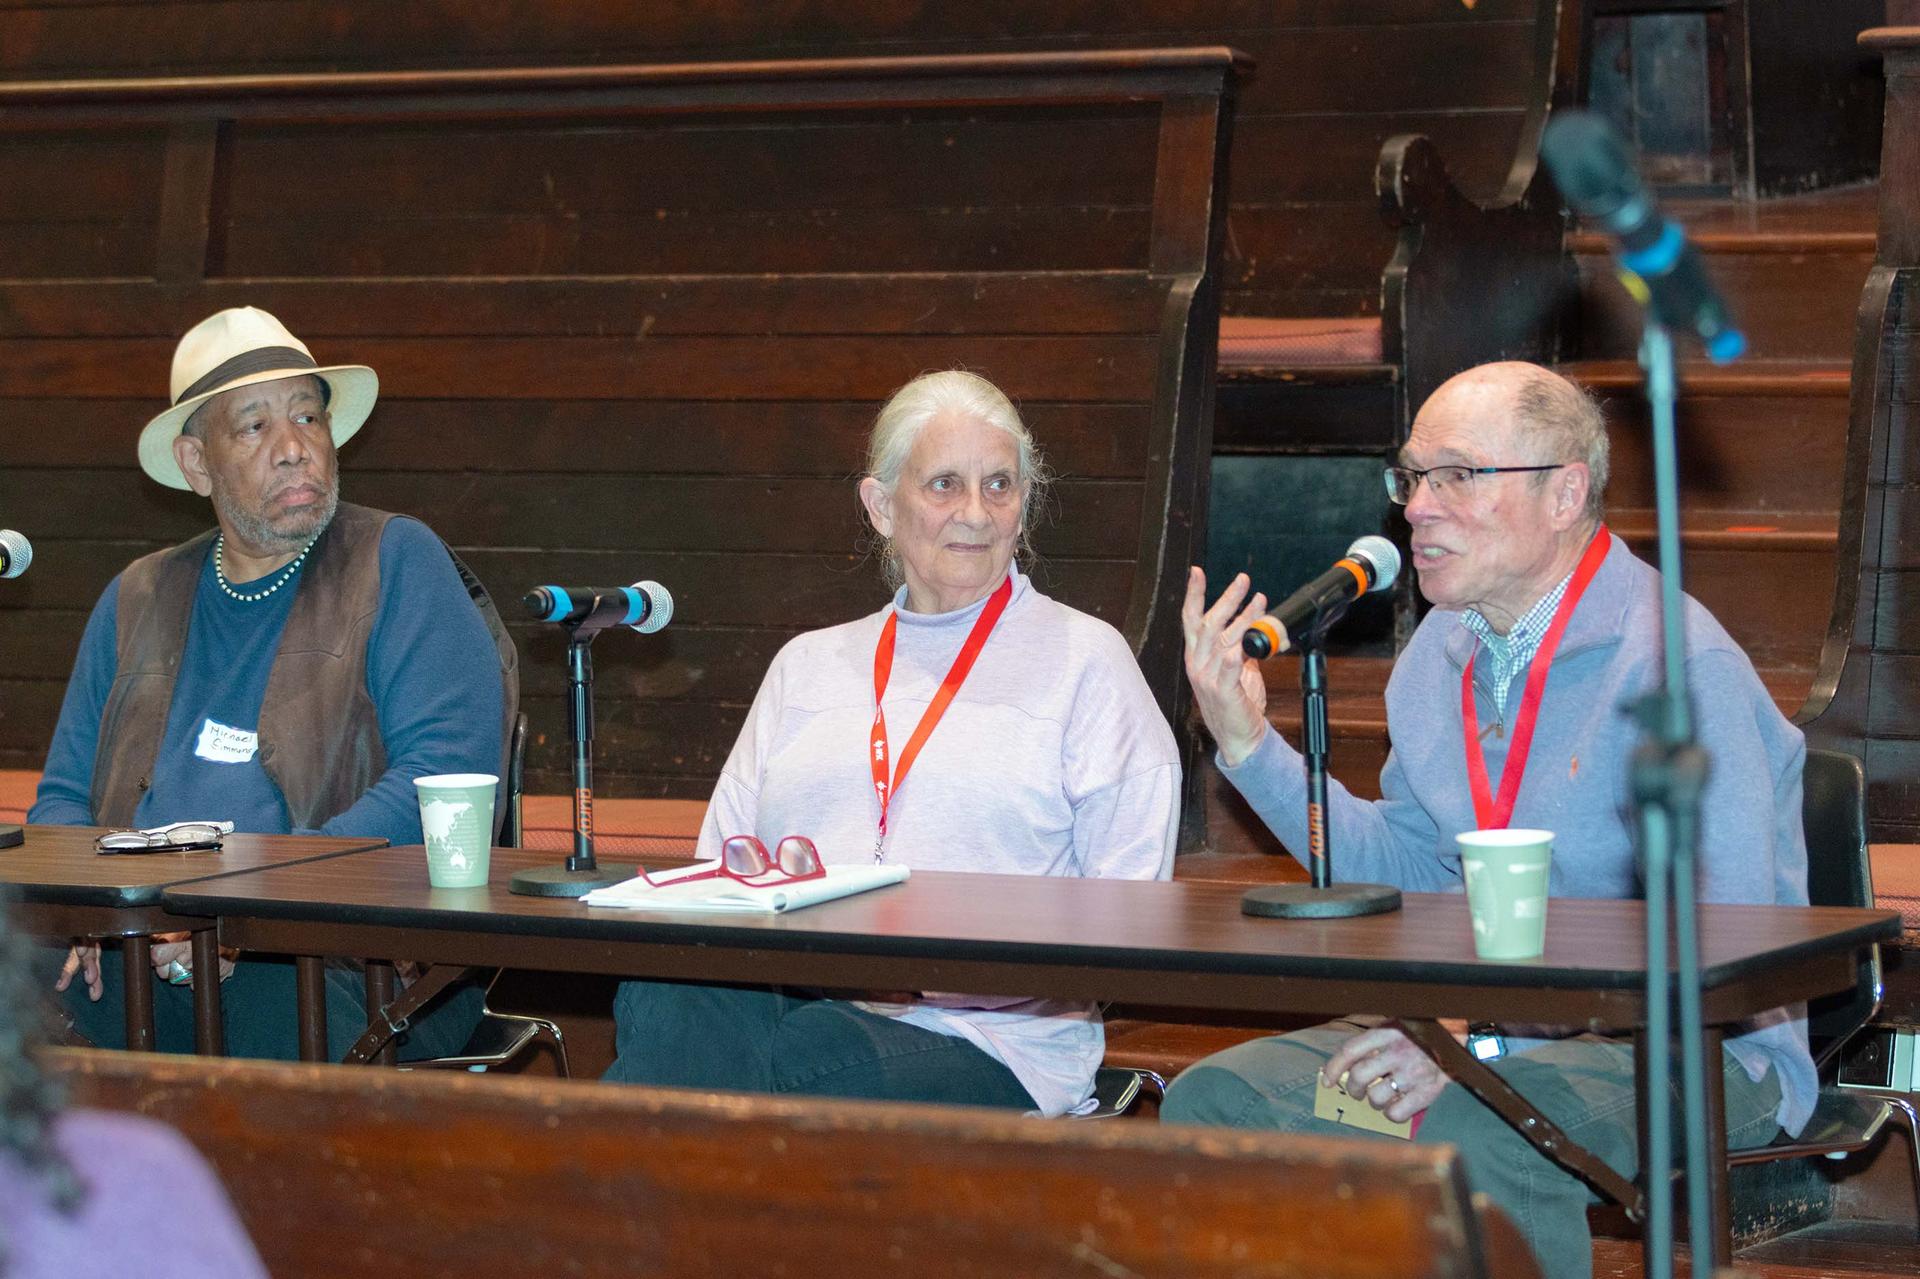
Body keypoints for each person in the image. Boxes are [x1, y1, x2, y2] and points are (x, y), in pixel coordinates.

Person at [1162, 362, 1809, 1279]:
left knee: (1483, 1127)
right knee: (1223, 1100)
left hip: (1700, 1053)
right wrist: (1250, 745)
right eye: (1411, 478)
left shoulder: (1676, 666)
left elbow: (1721, 949)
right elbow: (1409, 875)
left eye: (1457, 476)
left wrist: (1478, 1045)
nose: (1417, 508)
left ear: (1565, 493)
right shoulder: (1439, 652)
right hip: (1495, 1037)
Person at [604, 370, 1180, 1115]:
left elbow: (1131, 922)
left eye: (999, 485)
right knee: (667, 992)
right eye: (944, 483)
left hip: (988, 1041)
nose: (975, 512)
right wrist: (762, 896)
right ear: (881, 506)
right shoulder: (806, 665)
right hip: (800, 997)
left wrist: (918, 979)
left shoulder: (1087, 663)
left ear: (1025, 505)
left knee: (786, 1060)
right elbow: (716, 876)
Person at [30, 306, 514, 1062]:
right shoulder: (135, 596)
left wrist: (241, 908)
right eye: (255, 427)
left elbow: (441, 787)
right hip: (135, 948)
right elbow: (60, 801)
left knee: (261, 990)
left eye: (308, 417)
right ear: (196, 464)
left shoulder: (397, 560)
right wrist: (89, 914)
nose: (294, 448)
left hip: (354, 961)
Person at [0, 912, 267, 1277]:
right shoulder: (144, 1171)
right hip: (124, 945)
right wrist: (87, 918)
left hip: (282, 951)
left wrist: (242, 936)